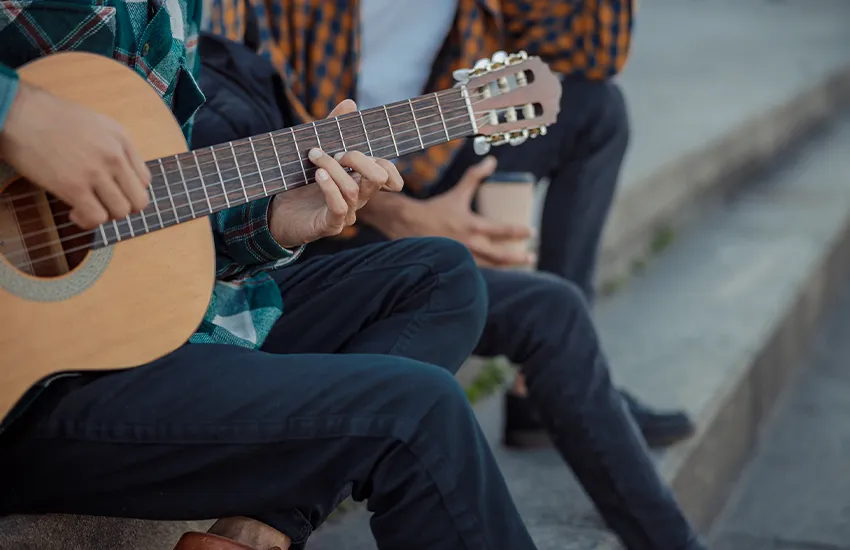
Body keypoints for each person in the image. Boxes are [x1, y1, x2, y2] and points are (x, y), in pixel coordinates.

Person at [0, 3, 561, 550]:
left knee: (439, 275)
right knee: (414, 407)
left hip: (121, 331)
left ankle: (256, 531)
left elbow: (146, 208)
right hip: (31, 392)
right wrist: (17, 112)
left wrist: (276, 222)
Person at [199, 1, 707, 549]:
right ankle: (273, 515)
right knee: (503, 302)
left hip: (414, 170)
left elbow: (589, 53)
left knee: (595, 111)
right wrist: (405, 217)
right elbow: (233, 109)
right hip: (293, 222)